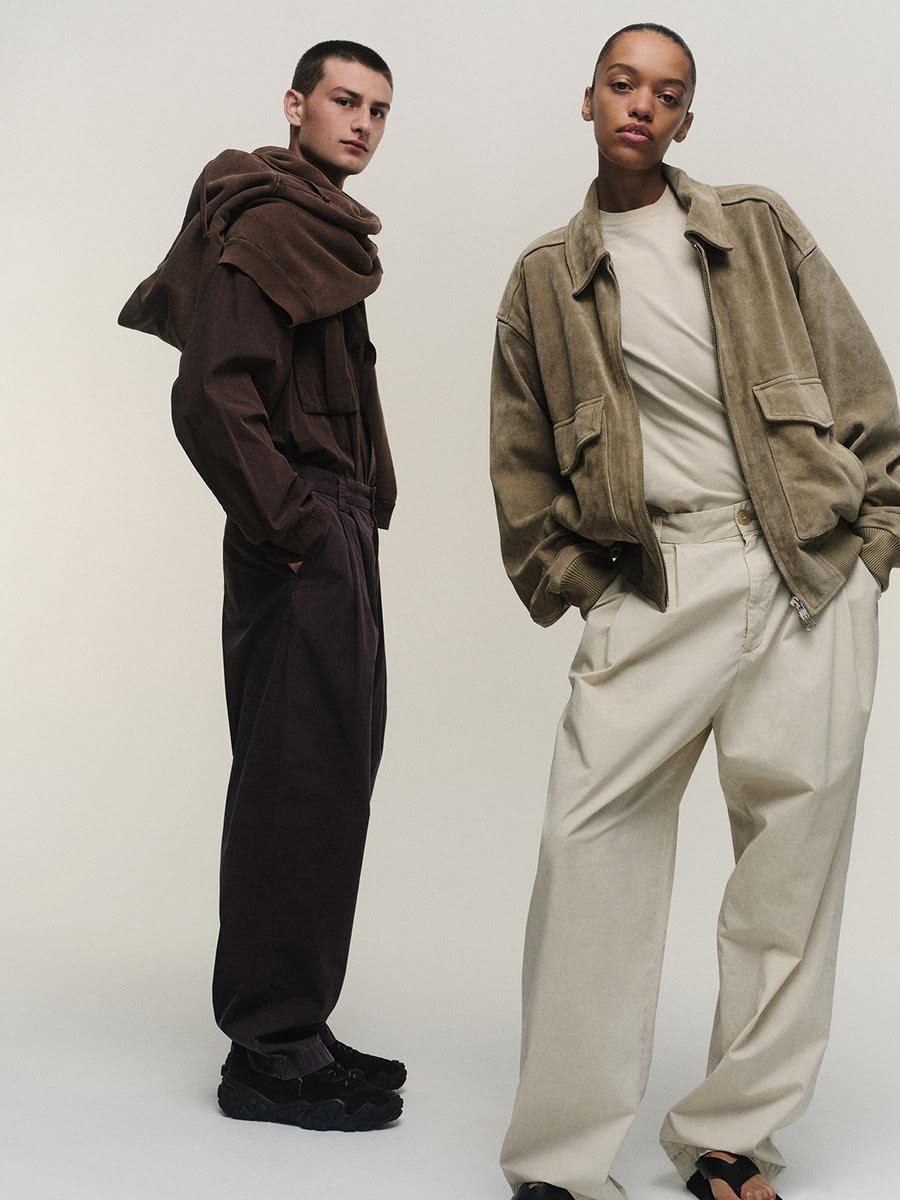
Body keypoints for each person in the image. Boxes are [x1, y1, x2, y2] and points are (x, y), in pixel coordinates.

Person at [489, 21, 898, 1200]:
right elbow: (523, 467)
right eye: (623, 83)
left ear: (685, 118)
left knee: (790, 867)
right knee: (588, 850)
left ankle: (732, 1138)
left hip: (807, 575)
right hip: (658, 580)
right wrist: (590, 593)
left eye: (667, 93)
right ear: (589, 100)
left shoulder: (757, 227)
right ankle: (560, 1163)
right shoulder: (544, 277)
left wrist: (873, 553)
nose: (642, 105)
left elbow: (864, 393)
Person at [118, 40, 405, 1132]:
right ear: (296, 104)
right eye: (344, 100)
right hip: (303, 532)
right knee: (296, 781)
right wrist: (298, 527)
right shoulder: (273, 223)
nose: (362, 122)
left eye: (379, 109)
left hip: (333, 530)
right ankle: (269, 1052)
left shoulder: (316, 221)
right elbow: (209, 394)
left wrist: (354, 515)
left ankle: (298, 1023)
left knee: (329, 780)